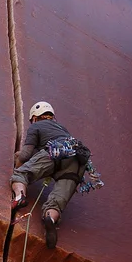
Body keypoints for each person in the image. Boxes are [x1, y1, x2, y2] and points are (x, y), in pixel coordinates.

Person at [10, 102, 88, 249]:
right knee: (57, 200)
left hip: (56, 151)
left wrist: (18, 165)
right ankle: (50, 219)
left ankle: (20, 197)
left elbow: (26, 154)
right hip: (77, 161)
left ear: (34, 117)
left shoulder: (36, 126)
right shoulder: (61, 129)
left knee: (21, 175)